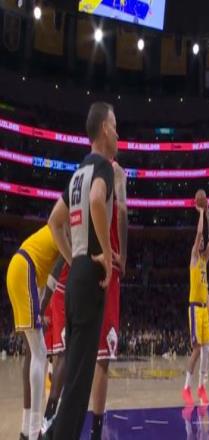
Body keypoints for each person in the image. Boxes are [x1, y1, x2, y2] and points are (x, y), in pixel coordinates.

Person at [47, 102, 118, 439]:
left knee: (75, 370)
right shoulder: (103, 166)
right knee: (79, 379)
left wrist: (74, 259)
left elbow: (54, 221)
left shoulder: (77, 173)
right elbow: (96, 200)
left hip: (75, 277)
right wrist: (105, 253)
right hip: (90, 277)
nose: (117, 134)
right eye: (114, 126)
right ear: (104, 128)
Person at [6, 225, 69, 440]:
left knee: (32, 354)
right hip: (25, 271)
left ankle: (26, 430)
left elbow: (43, 279)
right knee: (40, 353)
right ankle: (34, 433)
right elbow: (53, 279)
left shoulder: (51, 229)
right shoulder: (64, 231)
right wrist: (41, 310)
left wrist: (39, 309)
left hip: (17, 269)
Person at [90, 161, 128, 440]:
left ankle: (53, 420)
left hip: (81, 263)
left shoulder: (83, 172)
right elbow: (122, 211)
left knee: (77, 354)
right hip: (107, 262)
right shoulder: (115, 171)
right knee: (102, 358)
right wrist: (121, 255)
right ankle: (96, 432)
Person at [182, 204, 209, 406]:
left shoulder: (204, 259)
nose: (202, 242)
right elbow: (200, 233)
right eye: (199, 241)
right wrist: (202, 212)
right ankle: (186, 387)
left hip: (204, 309)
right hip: (194, 308)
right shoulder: (194, 257)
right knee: (196, 349)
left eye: (202, 241)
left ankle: (201, 387)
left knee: (207, 348)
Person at [40, 258, 70, 435]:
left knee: (60, 356)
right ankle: (49, 415)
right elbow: (55, 269)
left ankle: (52, 413)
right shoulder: (63, 249)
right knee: (61, 355)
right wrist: (43, 308)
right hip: (62, 293)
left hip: (60, 293)